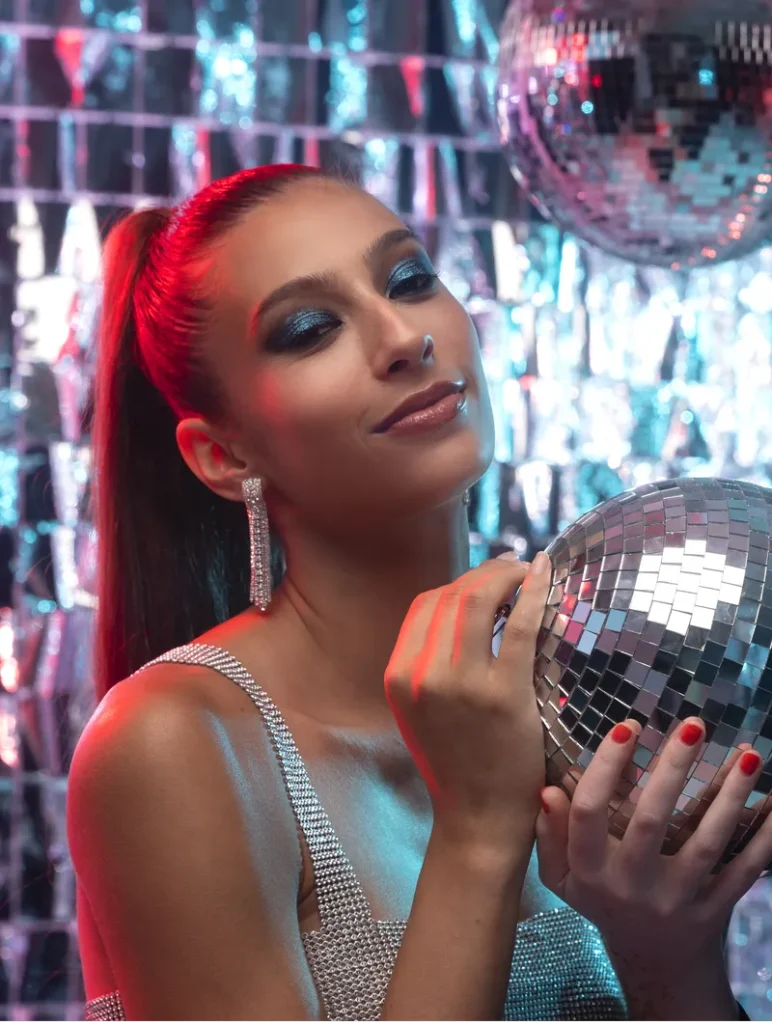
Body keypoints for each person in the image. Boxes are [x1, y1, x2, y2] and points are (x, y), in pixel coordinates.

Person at [66, 164, 758, 1023]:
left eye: (409, 279)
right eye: (311, 328)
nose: (402, 336)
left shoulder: (597, 686)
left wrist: (670, 965)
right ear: (224, 454)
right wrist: (476, 830)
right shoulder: (175, 745)